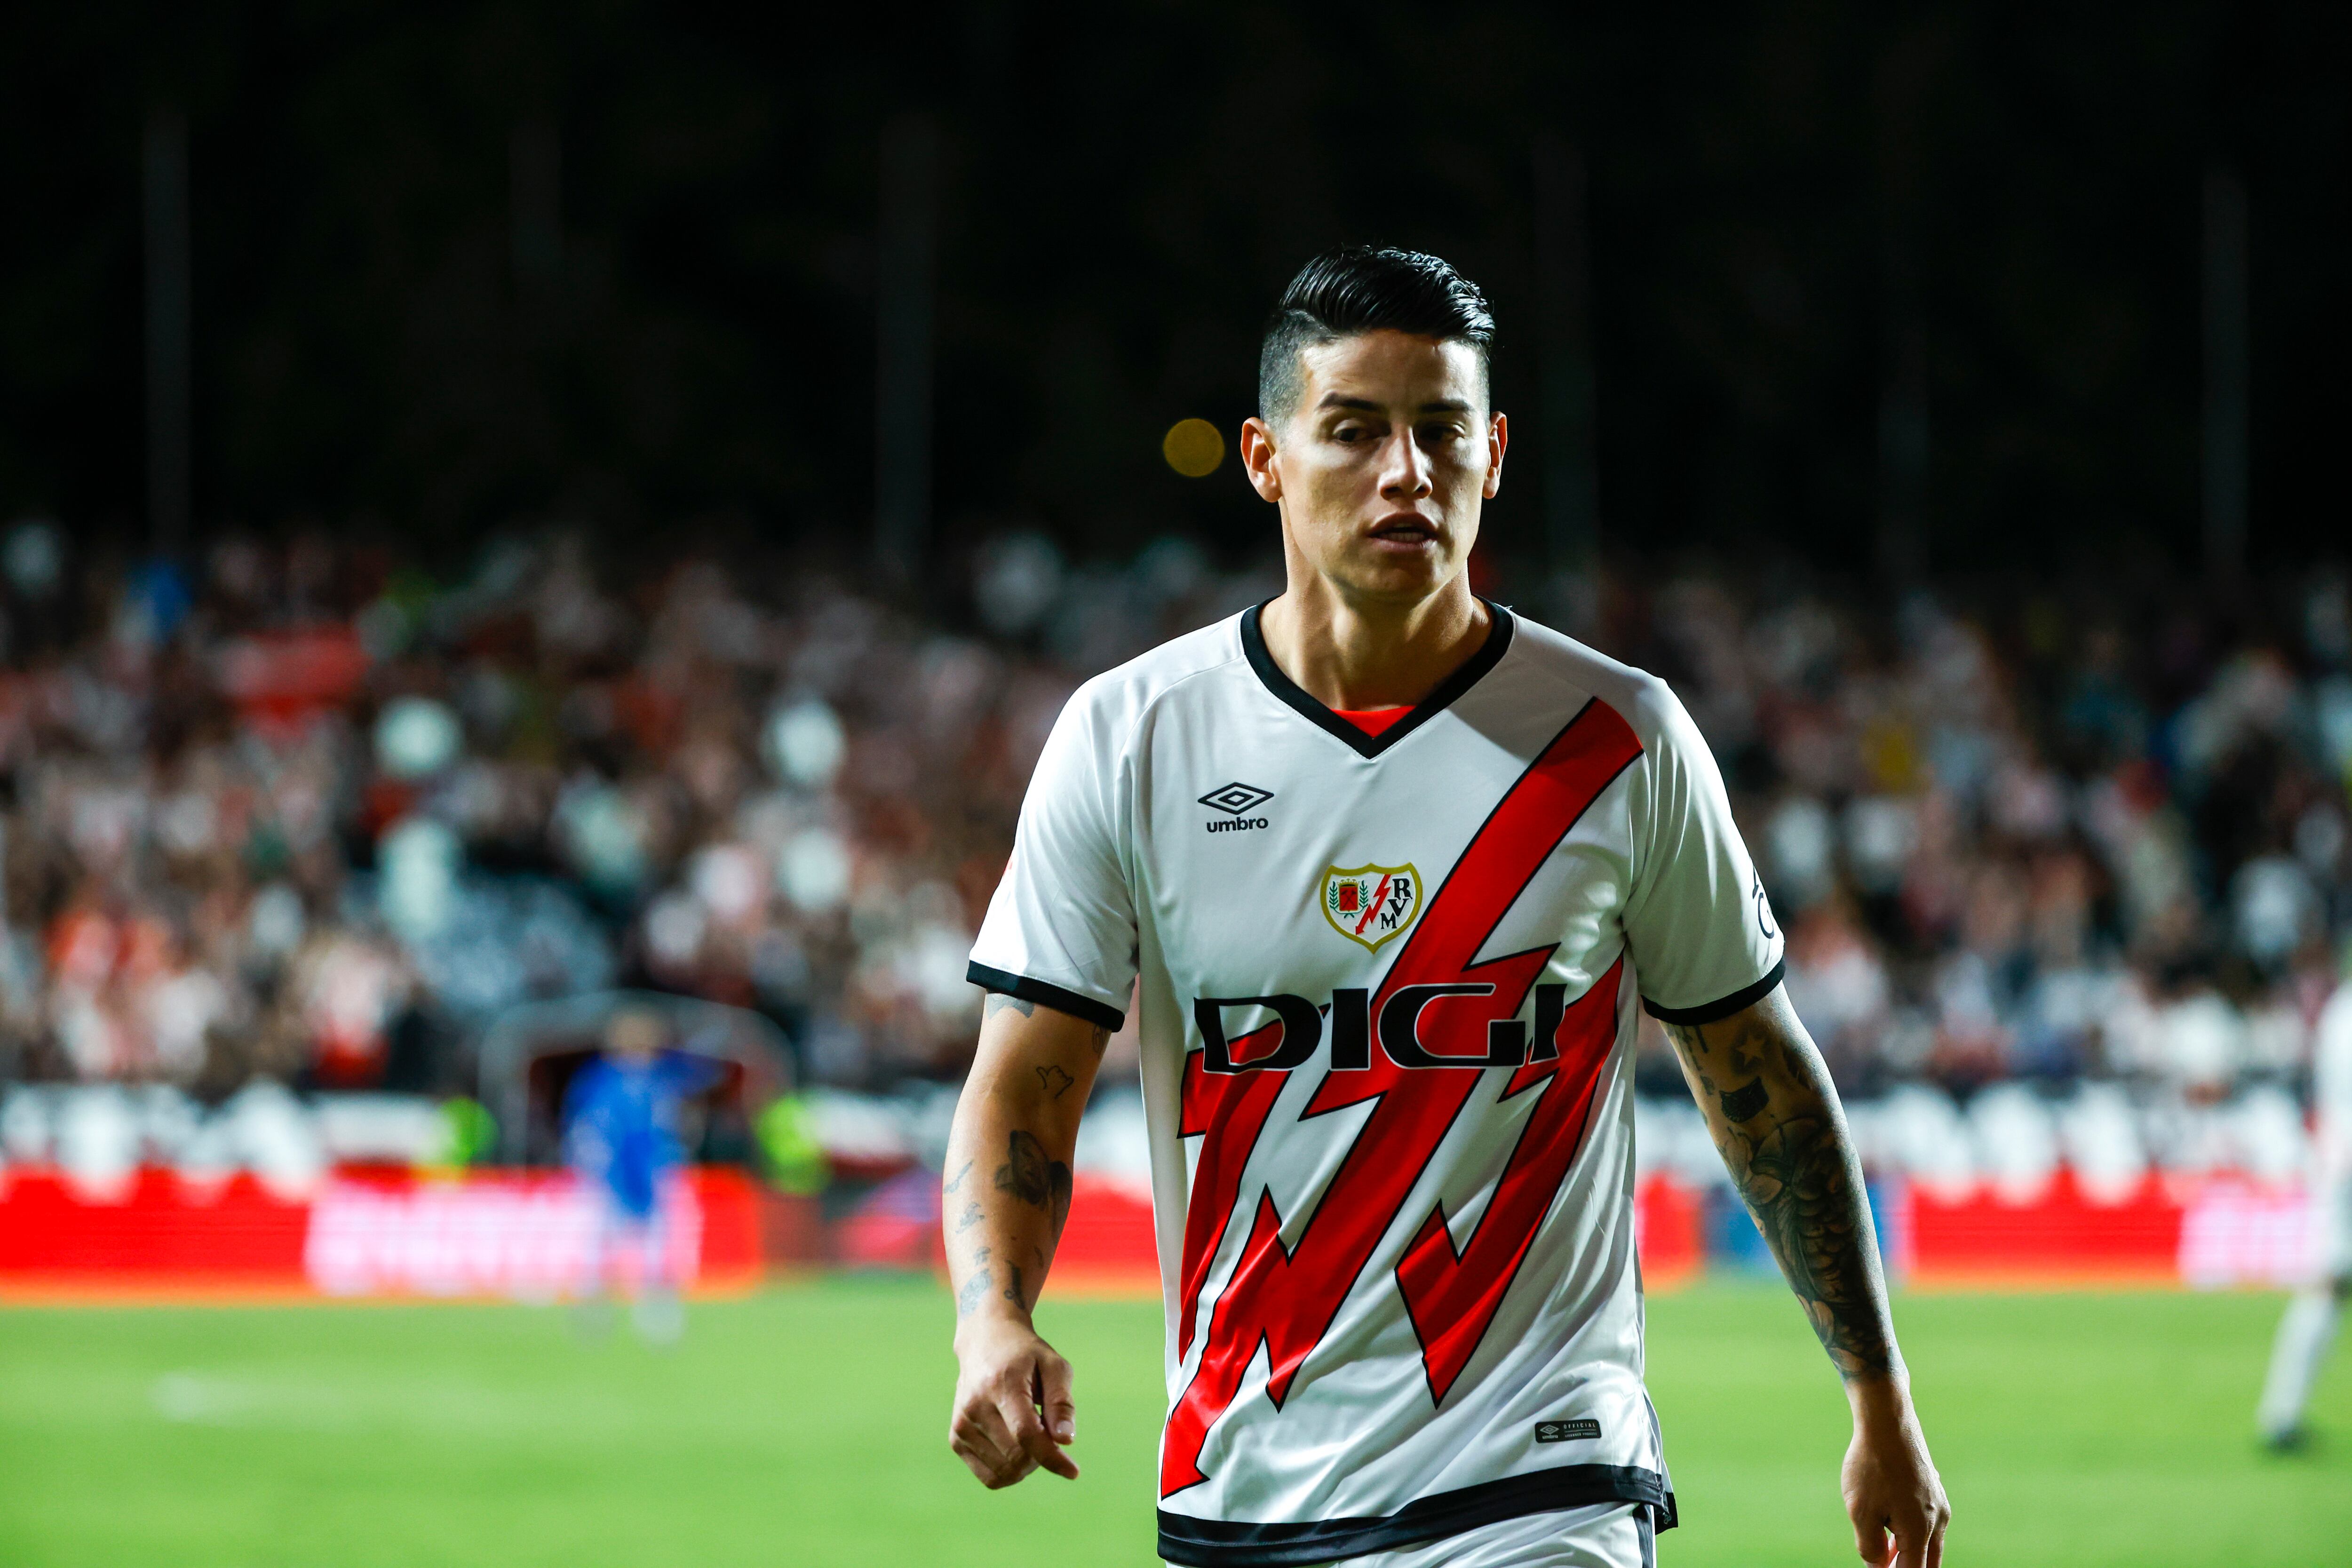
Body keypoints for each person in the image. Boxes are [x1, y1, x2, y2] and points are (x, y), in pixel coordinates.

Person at [943, 247, 1951, 1568]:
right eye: (1355, 430)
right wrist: (991, 1319)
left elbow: (1755, 1069)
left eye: (1442, 430)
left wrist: (1881, 1395)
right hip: (1243, 1487)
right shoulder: (1133, 738)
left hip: (1540, 1483)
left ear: (1497, 452)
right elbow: (1026, 1079)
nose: (1406, 472)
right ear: (1264, 458)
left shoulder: (1619, 738)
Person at [563, 1007, 719, 1342]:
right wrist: (594, 1164)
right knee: (600, 1243)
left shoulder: (663, 1078)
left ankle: (656, 1311)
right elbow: (584, 1127)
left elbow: (705, 1077)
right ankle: (593, 1309)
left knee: (658, 1244)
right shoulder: (600, 1080)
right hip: (609, 1175)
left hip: (657, 1171)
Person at [2257, 967, 2352, 1448]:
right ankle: (2280, 1414)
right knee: (2326, 1286)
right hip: (2345, 1173)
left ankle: (2281, 1413)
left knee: (2327, 1287)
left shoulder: (2339, 1015)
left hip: (2338, 1167)